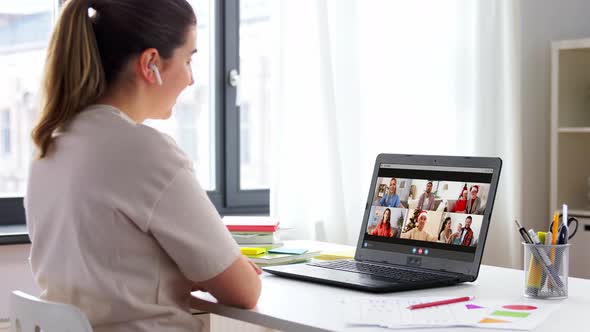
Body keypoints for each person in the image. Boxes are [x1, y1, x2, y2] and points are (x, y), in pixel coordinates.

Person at [25, 1, 261, 331]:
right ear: (151, 62)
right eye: (189, 59)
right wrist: (225, 272)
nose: (191, 79)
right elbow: (245, 291)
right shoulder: (146, 151)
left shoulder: (51, 145)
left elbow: (106, 276)